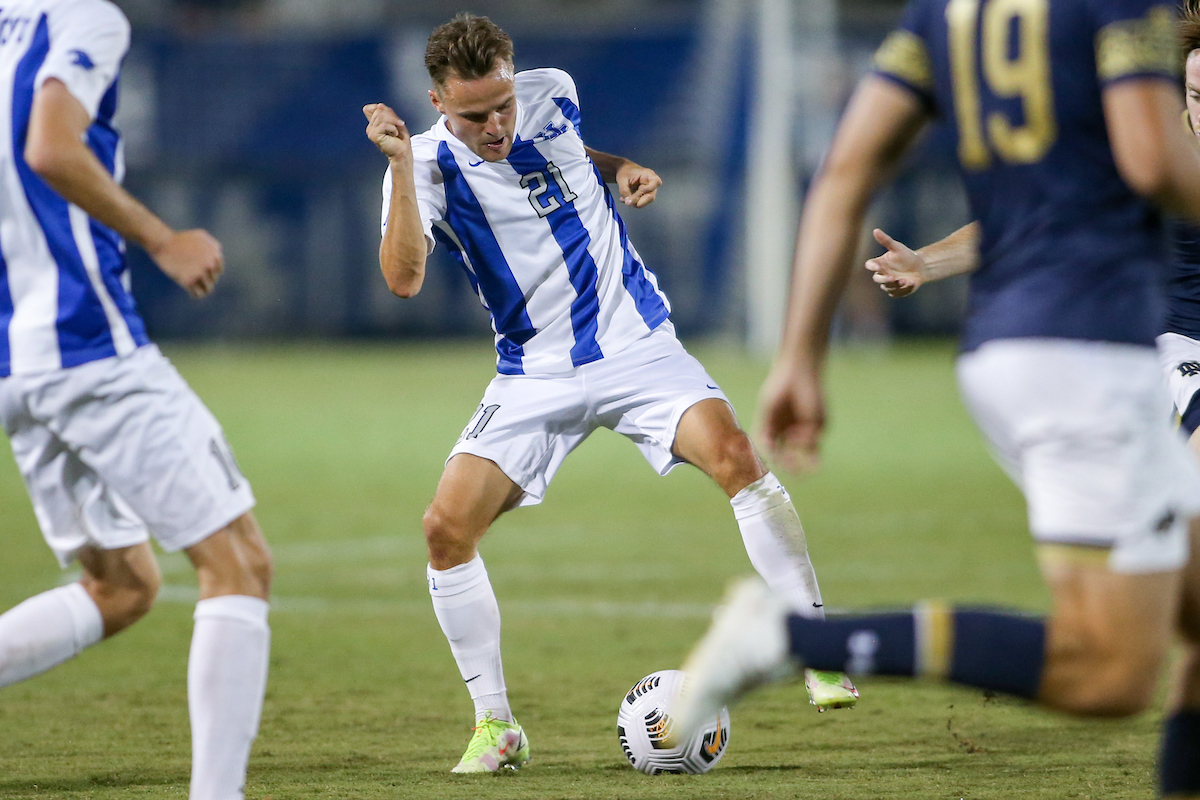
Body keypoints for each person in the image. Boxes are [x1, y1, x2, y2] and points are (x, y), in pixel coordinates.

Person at [671, 0, 1200, 794]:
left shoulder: (948, 16)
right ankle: (790, 639)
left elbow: (846, 171)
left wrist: (800, 354)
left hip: (1012, 350)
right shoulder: (1120, 10)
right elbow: (1155, 165)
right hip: (1092, 354)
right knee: (1113, 672)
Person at [363, 12, 856, 774]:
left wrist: (617, 167)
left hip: (635, 344)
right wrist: (398, 165)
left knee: (735, 456)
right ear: (436, 103)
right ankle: (496, 725)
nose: (496, 126)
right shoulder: (421, 167)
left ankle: (816, 646)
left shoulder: (552, 94)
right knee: (444, 530)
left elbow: (568, 151)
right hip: (532, 373)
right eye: (475, 115)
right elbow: (402, 279)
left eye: (503, 106)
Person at [0, 2, 274, 799]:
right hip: (88, 349)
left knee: (122, 587)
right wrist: (163, 238)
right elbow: (50, 148)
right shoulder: (84, 18)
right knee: (239, 565)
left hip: (16, 361)